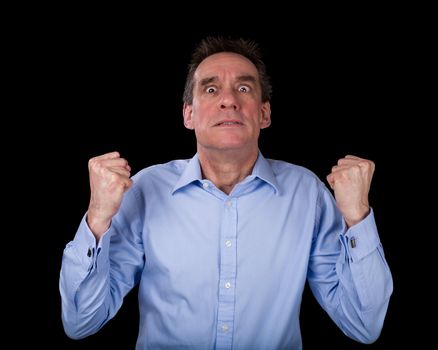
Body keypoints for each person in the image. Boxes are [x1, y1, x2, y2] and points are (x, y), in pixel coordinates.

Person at [60, 37, 393, 349]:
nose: (229, 100)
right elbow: (82, 322)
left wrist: (357, 217)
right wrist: (97, 218)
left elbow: (362, 325)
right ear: (189, 114)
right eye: (211, 89)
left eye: (244, 88)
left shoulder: (306, 193)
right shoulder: (147, 189)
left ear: (264, 113)